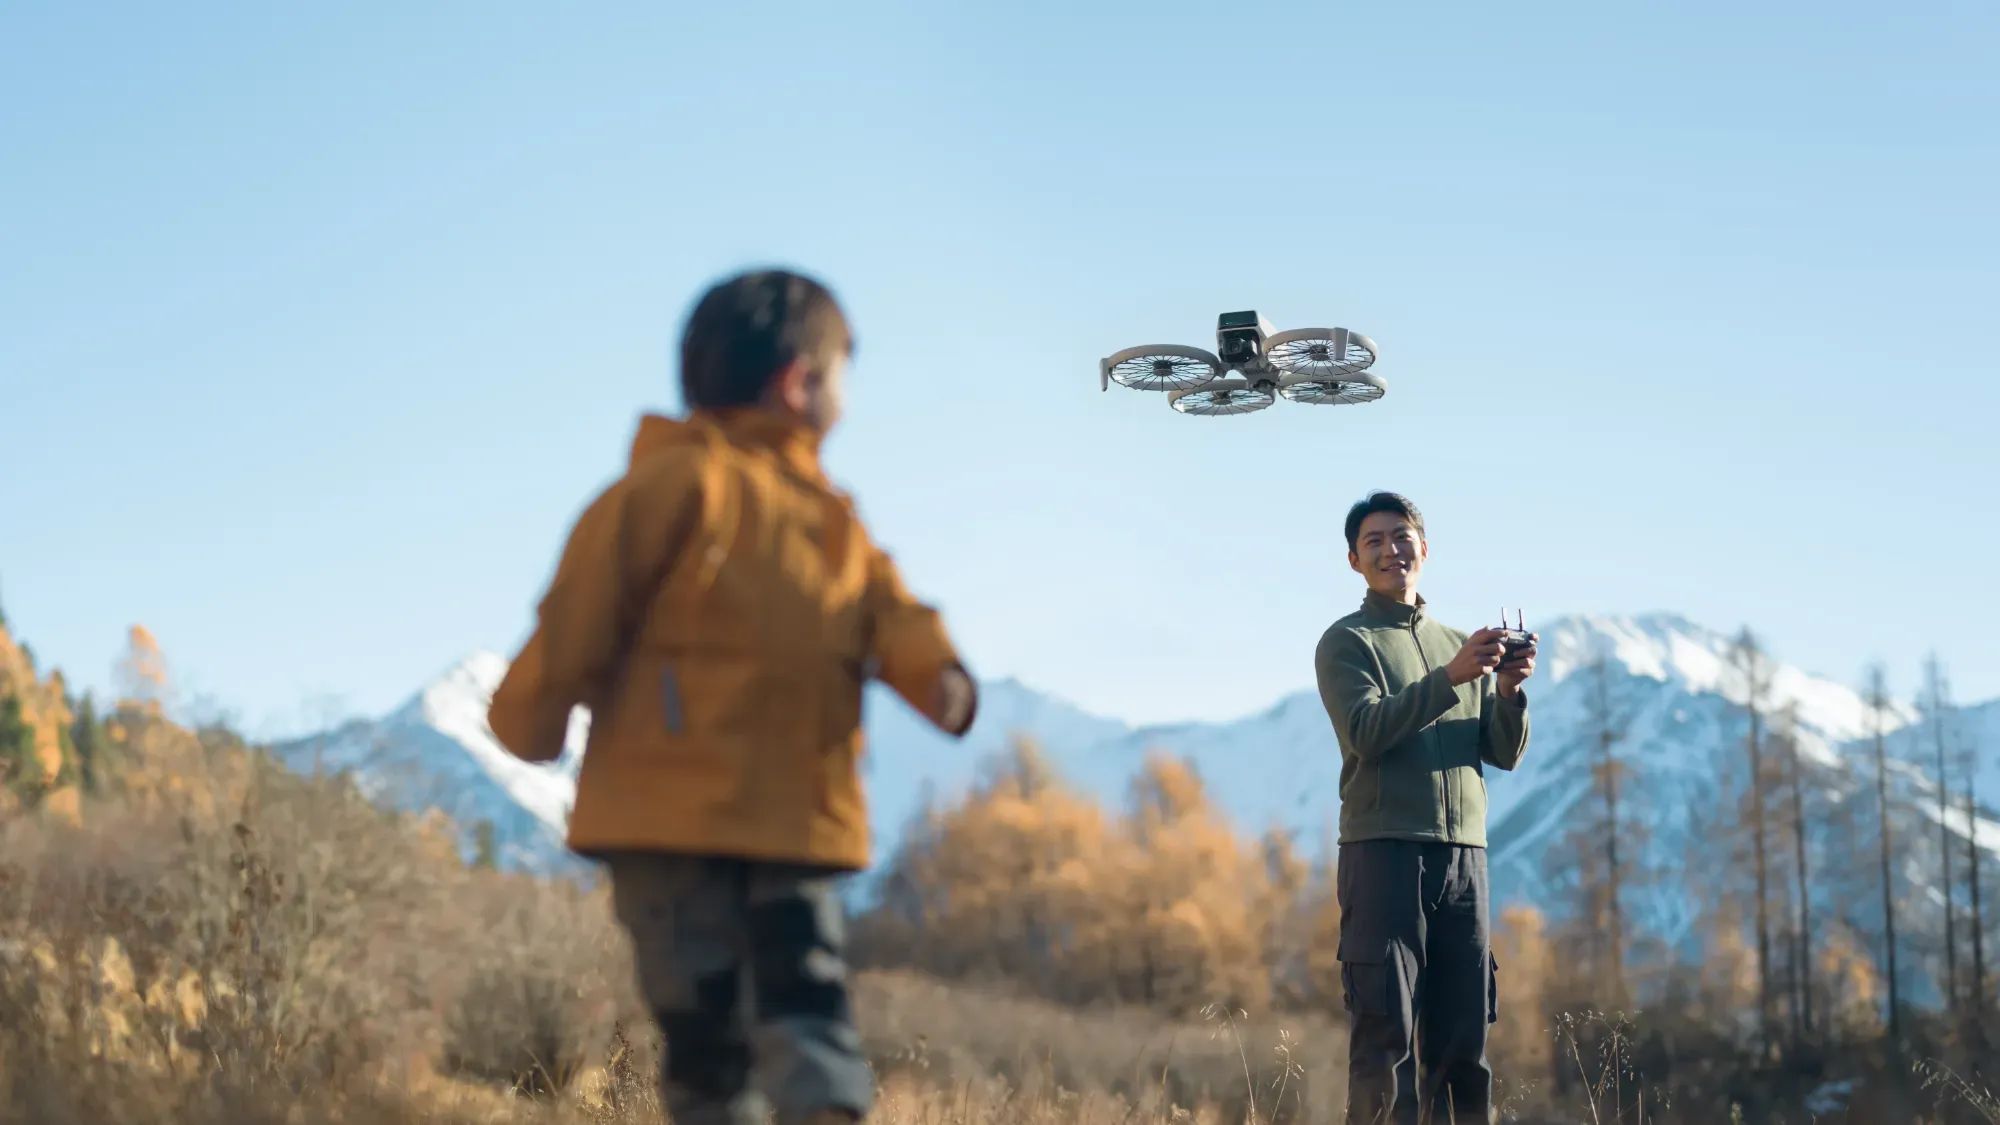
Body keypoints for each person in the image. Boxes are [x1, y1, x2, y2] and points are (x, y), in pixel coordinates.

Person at [487, 268, 978, 1125]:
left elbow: (570, 620)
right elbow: (892, 616)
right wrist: (943, 683)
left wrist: (530, 720)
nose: (849, 403)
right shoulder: (754, 506)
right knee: (802, 1008)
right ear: (800, 384)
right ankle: (821, 1108)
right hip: (783, 818)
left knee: (710, 1034)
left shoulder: (689, 494)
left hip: (667, 826)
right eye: (843, 379)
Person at [1313, 491, 1535, 1125]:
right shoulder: (1346, 642)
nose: (1390, 550)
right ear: (1354, 560)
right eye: (1374, 541)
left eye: (1401, 536)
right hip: (1384, 853)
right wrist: (1452, 678)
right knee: (1385, 1040)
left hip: (1466, 859)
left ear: (1424, 549)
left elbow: (1501, 752)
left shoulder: (1459, 643)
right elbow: (1365, 730)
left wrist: (1508, 691)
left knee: (1464, 1045)